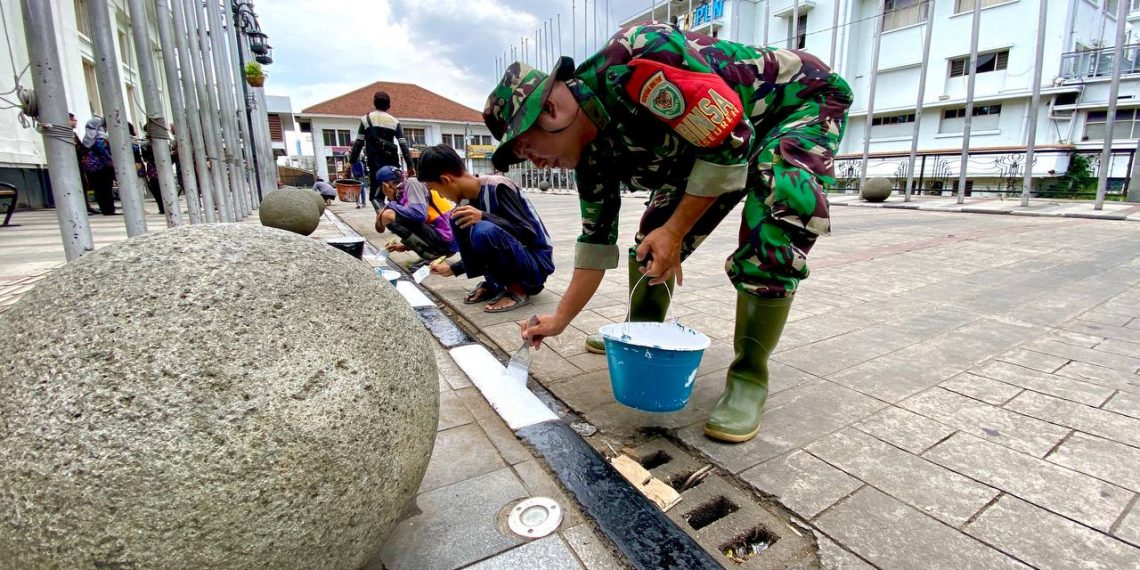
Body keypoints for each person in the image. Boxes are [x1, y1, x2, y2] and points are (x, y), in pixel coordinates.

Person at [487, 23, 852, 443]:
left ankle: (749, 377)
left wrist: (676, 231)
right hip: (715, 143)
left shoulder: (640, 60)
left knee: (776, 221)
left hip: (795, 105)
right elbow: (595, 242)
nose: (536, 163)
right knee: (652, 239)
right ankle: (640, 332)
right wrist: (560, 320)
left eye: (528, 149)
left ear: (551, 110)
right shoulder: (590, 154)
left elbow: (732, 142)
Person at [419, 145, 554, 313]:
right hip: (518, 258)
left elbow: (528, 233)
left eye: (436, 190)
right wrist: (452, 269)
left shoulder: (498, 186)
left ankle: (517, 289)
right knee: (458, 218)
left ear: (445, 180)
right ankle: (494, 284)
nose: (441, 195)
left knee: (484, 230)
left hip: (536, 264)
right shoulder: (466, 201)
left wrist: (484, 216)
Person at [348, 90, 415, 211]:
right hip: (393, 165)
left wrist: (351, 162)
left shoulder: (366, 120)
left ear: (374, 103)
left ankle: (383, 216)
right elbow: (403, 145)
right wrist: (410, 166)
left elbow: (358, 143)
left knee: (376, 197)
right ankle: (396, 217)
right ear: (389, 105)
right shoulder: (394, 121)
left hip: (375, 165)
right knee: (396, 194)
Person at [374, 166, 457, 263]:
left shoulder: (413, 183)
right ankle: (431, 253)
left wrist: (390, 205)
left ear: (385, 186)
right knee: (397, 213)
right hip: (446, 238)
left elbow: (419, 216)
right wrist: (406, 246)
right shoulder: (402, 192)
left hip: (447, 241)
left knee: (388, 215)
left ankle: (432, 254)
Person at [79, 117, 117, 215]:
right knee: (106, 188)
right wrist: (110, 161)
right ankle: (109, 209)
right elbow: (102, 150)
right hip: (103, 166)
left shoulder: (86, 138)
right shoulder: (100, 136)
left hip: (91, 168)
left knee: (98, 188)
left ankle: (104, 208)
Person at [71, 113, 99, 215]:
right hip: (72, 164)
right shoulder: (66, 134)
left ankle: (86, 206)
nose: (76, 122)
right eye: (74, 120)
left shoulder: (73, 134)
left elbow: (81, 147)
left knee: (84, 184)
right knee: (77, 185)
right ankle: (81, 207)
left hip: (79, 163)